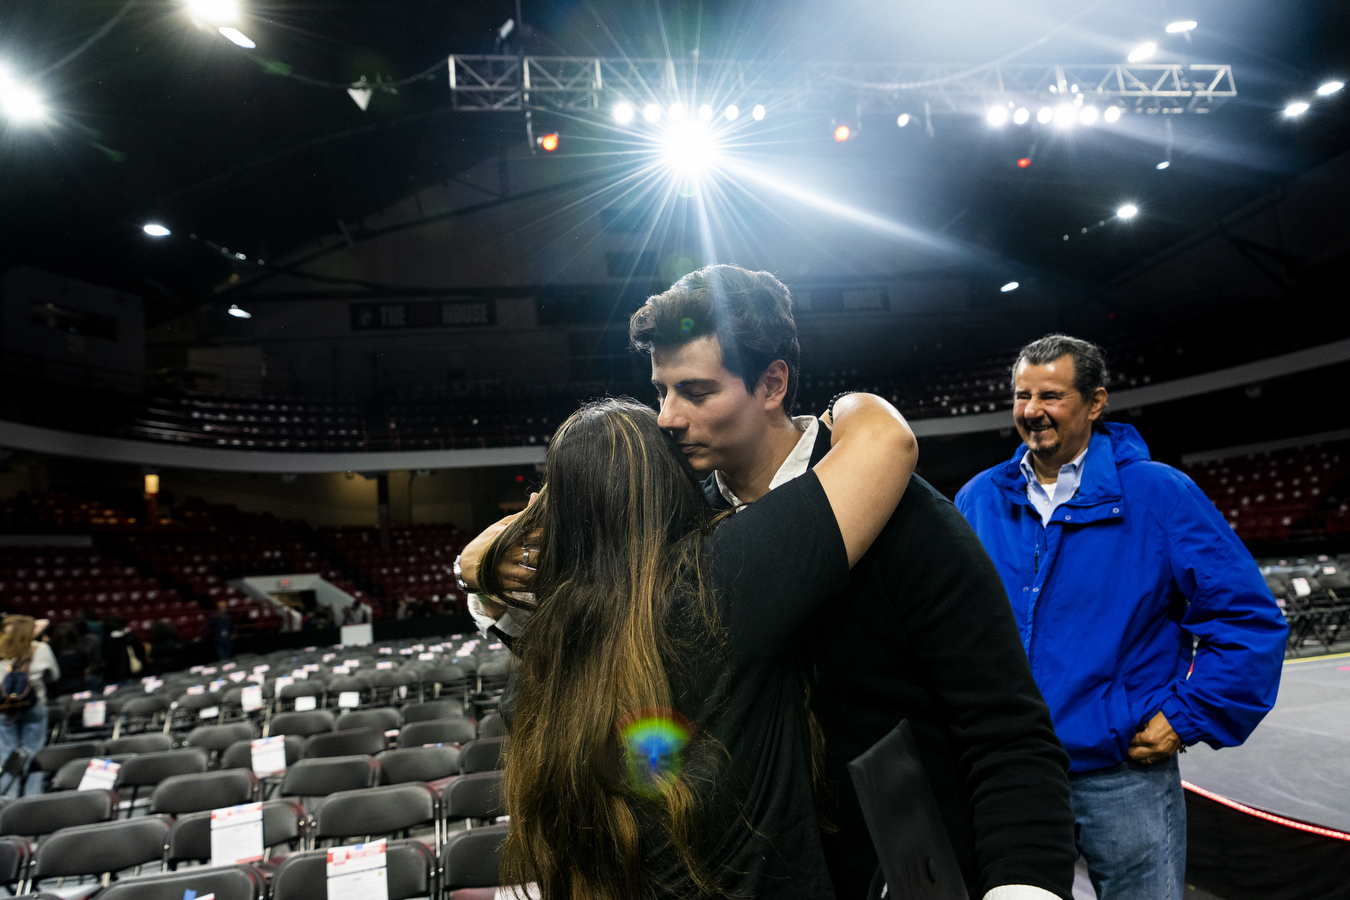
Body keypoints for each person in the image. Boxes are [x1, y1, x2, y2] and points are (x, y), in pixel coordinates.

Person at [464, 265, 1078, 900]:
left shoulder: (902, 513)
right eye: (661, 391)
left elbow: (1007, 731)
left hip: (914, 874)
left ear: (772, 383)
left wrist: (1020, 887)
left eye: (696, 391)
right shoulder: (675, 524)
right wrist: (488, 566)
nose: (668, 418)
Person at [474, 393, 916, 899]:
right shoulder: (727, 574)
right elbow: (886, 440)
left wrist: (479, 571)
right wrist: (846, 406)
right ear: (674, 481)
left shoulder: (544, 653)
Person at [954, 334, 1288, 900]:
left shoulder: (1159, 494)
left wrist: (1187, 716)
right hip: (1012, 772)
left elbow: (1247, 619)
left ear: (1096, 402)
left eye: (1051, 396)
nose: (1031, 412)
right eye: (1021, 396)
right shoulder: (980, 498)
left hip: (1123, 775)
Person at [0, 615, 60, 797]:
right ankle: (33, 796)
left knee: (7, 752)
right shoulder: (41, 649)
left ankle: (7, 797)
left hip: (3, 708)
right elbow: (54, 676)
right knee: (34, 752)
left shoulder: (1, 650)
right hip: (34, 705)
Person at [47, 621, 97, 696]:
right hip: (73, 691)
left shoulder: (51, 655)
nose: (64, 642)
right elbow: (86, 674)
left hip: (60, 692)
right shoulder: (81, 654)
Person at [102, 615, 147, 684]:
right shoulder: (131, 636)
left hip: (116, 674)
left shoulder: (109, 640)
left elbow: (108, 657)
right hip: (134, 671)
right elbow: (140, 652)